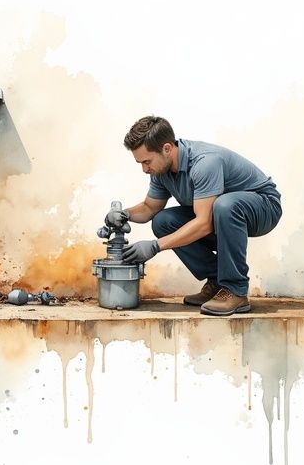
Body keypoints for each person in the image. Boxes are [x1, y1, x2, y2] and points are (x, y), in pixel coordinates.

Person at [108, 116, 282, 316]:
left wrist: (155, 246)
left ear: (167, 149)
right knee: (163, 221)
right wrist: (125, 214)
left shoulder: (204, 163)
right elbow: (149, 207)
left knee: (225, 206)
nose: (144, 169)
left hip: (263, 206)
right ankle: (218, 281)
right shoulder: (160, 171)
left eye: (147, 162)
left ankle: (236, 290)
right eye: (140, 163)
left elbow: (204, 224)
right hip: (220, 216)